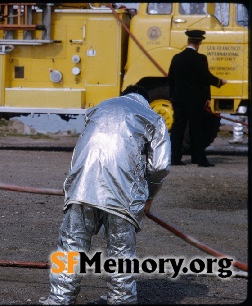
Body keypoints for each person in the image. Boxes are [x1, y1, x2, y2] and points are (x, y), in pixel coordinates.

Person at [39, 85, 171, 305]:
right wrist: (149, 197)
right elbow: (159, 167)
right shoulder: (153, 117)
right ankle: (121, 299)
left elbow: (85, 145)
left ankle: (60, 299)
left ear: (124, 95)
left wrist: (72, 187)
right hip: (123, 193)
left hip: (82, 187)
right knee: (121, 250)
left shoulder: (99, 108)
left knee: (72, 244)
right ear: (145, 100)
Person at [168, 29, 227, 167]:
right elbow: (205, 78)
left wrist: (172, 98)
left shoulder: (177, 58)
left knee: (178, 129)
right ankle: (199, 159)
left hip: (179, 100)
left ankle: (174, 159)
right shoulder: (200, 59)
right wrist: (218, 83)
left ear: (188, 41)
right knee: (197, 129)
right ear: (199, 42)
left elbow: (171, 79)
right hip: (195, 101)